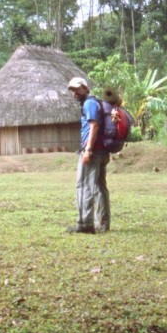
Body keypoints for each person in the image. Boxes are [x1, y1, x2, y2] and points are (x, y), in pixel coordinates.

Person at [66, 77, 110, 234]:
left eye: (77, 89)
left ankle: (85, 224)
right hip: (101, 152)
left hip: (92, 152)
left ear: (85, 87)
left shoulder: (89, 103)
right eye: (72, 90)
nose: (75, 93)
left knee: (84, 186)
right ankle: (103, 223)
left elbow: (94, 125)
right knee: (99, 187)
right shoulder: (95, 103)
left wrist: (88, 150)